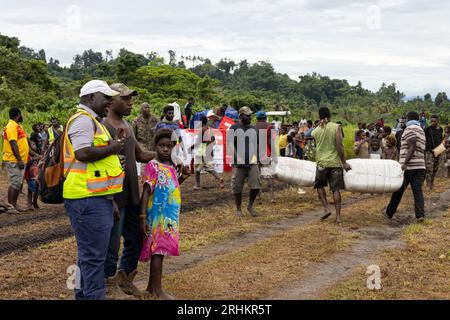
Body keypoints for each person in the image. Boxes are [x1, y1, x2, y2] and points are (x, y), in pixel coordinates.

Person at [63, 80, 125, 300]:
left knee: (87, 257)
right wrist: (113, 148)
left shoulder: (93, 122)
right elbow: (83, 153)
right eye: (105, 97)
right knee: (94, 259)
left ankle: (82, 295)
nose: (110, 101)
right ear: (91, 98)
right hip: (86, 198)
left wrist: (109, 200)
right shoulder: (83, 121)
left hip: (95, 197)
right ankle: (92, 296)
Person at [103, 84, 156, 297]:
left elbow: (140, 155)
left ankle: (124, 278)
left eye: (131, 99)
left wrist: (168, 157)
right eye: (125, 99)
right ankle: (107, 286)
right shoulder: (102, 126)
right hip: (113, 195)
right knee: (112, 244)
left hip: (131, 193)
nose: (130, 103)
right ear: (111, 100)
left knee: (136, 238)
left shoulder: (127, 125)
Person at [139, 129, 190, 300]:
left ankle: (150, 288)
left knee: (159, 251)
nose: (165, 149)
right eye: (162, 146)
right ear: (156, 147)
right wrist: (143, 218)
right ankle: (158, 291)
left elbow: (172, 186)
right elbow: (146, 193)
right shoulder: (152, 166)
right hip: (157, 215)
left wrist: (184, 177)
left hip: (170, 215)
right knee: (158, 251)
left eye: (169, 146)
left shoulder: (172, 166)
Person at [384, 111, 426, 222]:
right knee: (417, 191)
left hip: (409, 167)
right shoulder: (421, 130)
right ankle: (420, 215)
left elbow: (412, 145)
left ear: (408, 119)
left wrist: (405, 163)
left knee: (398, 190)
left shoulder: (409, 129)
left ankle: (389, 212)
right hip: (420, 166)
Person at [311, 107, 351, 223]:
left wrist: (318, 124)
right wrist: (344, 162)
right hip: (335, 163)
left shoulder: (316, 130)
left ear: (319, 116)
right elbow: (339, 145)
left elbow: (310, 135)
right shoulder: (336, 127)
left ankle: (326, 208)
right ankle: (338, 217)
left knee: (319, 186)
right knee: (335, 189)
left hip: (321, 163)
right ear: (330, 115)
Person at [227, 107, 261, 217]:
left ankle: (250, 205)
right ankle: (238, 209)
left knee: (256, 185)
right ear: (241, 116)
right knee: (237, 187)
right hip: (239, 163)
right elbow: (231, 145)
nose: (250, 117)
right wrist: (238, 158)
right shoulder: (234, 127)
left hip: (252, 161)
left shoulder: (253, 128)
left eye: (250, 115)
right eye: (247, 115)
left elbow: (256, 143)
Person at [2, 107, 29, 213]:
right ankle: (10, 207)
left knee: (17, 183)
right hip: (14, 160)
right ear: (18, 114)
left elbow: (22, 142)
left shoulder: (17, 126)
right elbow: (13, 143)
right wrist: (19, 160)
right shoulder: (11, 126)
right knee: (14, 183)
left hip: (19, 160)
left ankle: (14, 205)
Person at [192, 116, 224, 190]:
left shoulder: (201, 130)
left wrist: (191, 148)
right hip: (208, 149)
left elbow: (198, 142)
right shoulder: (210, 130)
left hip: (202, 148)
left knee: (197, 168)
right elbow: (214, 140)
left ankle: (197, 185)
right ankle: (219, 178)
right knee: (208, 167)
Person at [254, 111, 275, 203]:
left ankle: (259, 198)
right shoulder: (270, 127)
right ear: (265, 118)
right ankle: (272, 197)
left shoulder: (253, 127)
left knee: (257, 176)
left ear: (257, 118)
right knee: (269, 175)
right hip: (266, 153)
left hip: (255, 154)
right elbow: (271, 142)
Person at [424, 115, 444, 191]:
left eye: (434, 121)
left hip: (438, 151)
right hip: (429, 152)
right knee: (429, 169)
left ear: (438, 121)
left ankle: (432, 184)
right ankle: (428, 185)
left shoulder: (440, 129)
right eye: (431, 121)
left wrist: (441, 149)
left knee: (435, 169)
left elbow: (441, 139)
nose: (432, 122)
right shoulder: (427, 129)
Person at [24, 139, 40, 210]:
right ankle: (29, 204)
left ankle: (35, 202)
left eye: (35, 144)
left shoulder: (35, 153)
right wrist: (34, 159)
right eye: (33, 145)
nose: (35, 146)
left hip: (36, 174)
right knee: (31, 189)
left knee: (37, 188)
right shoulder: (27, 154)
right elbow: (27, 163)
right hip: (30, 175)